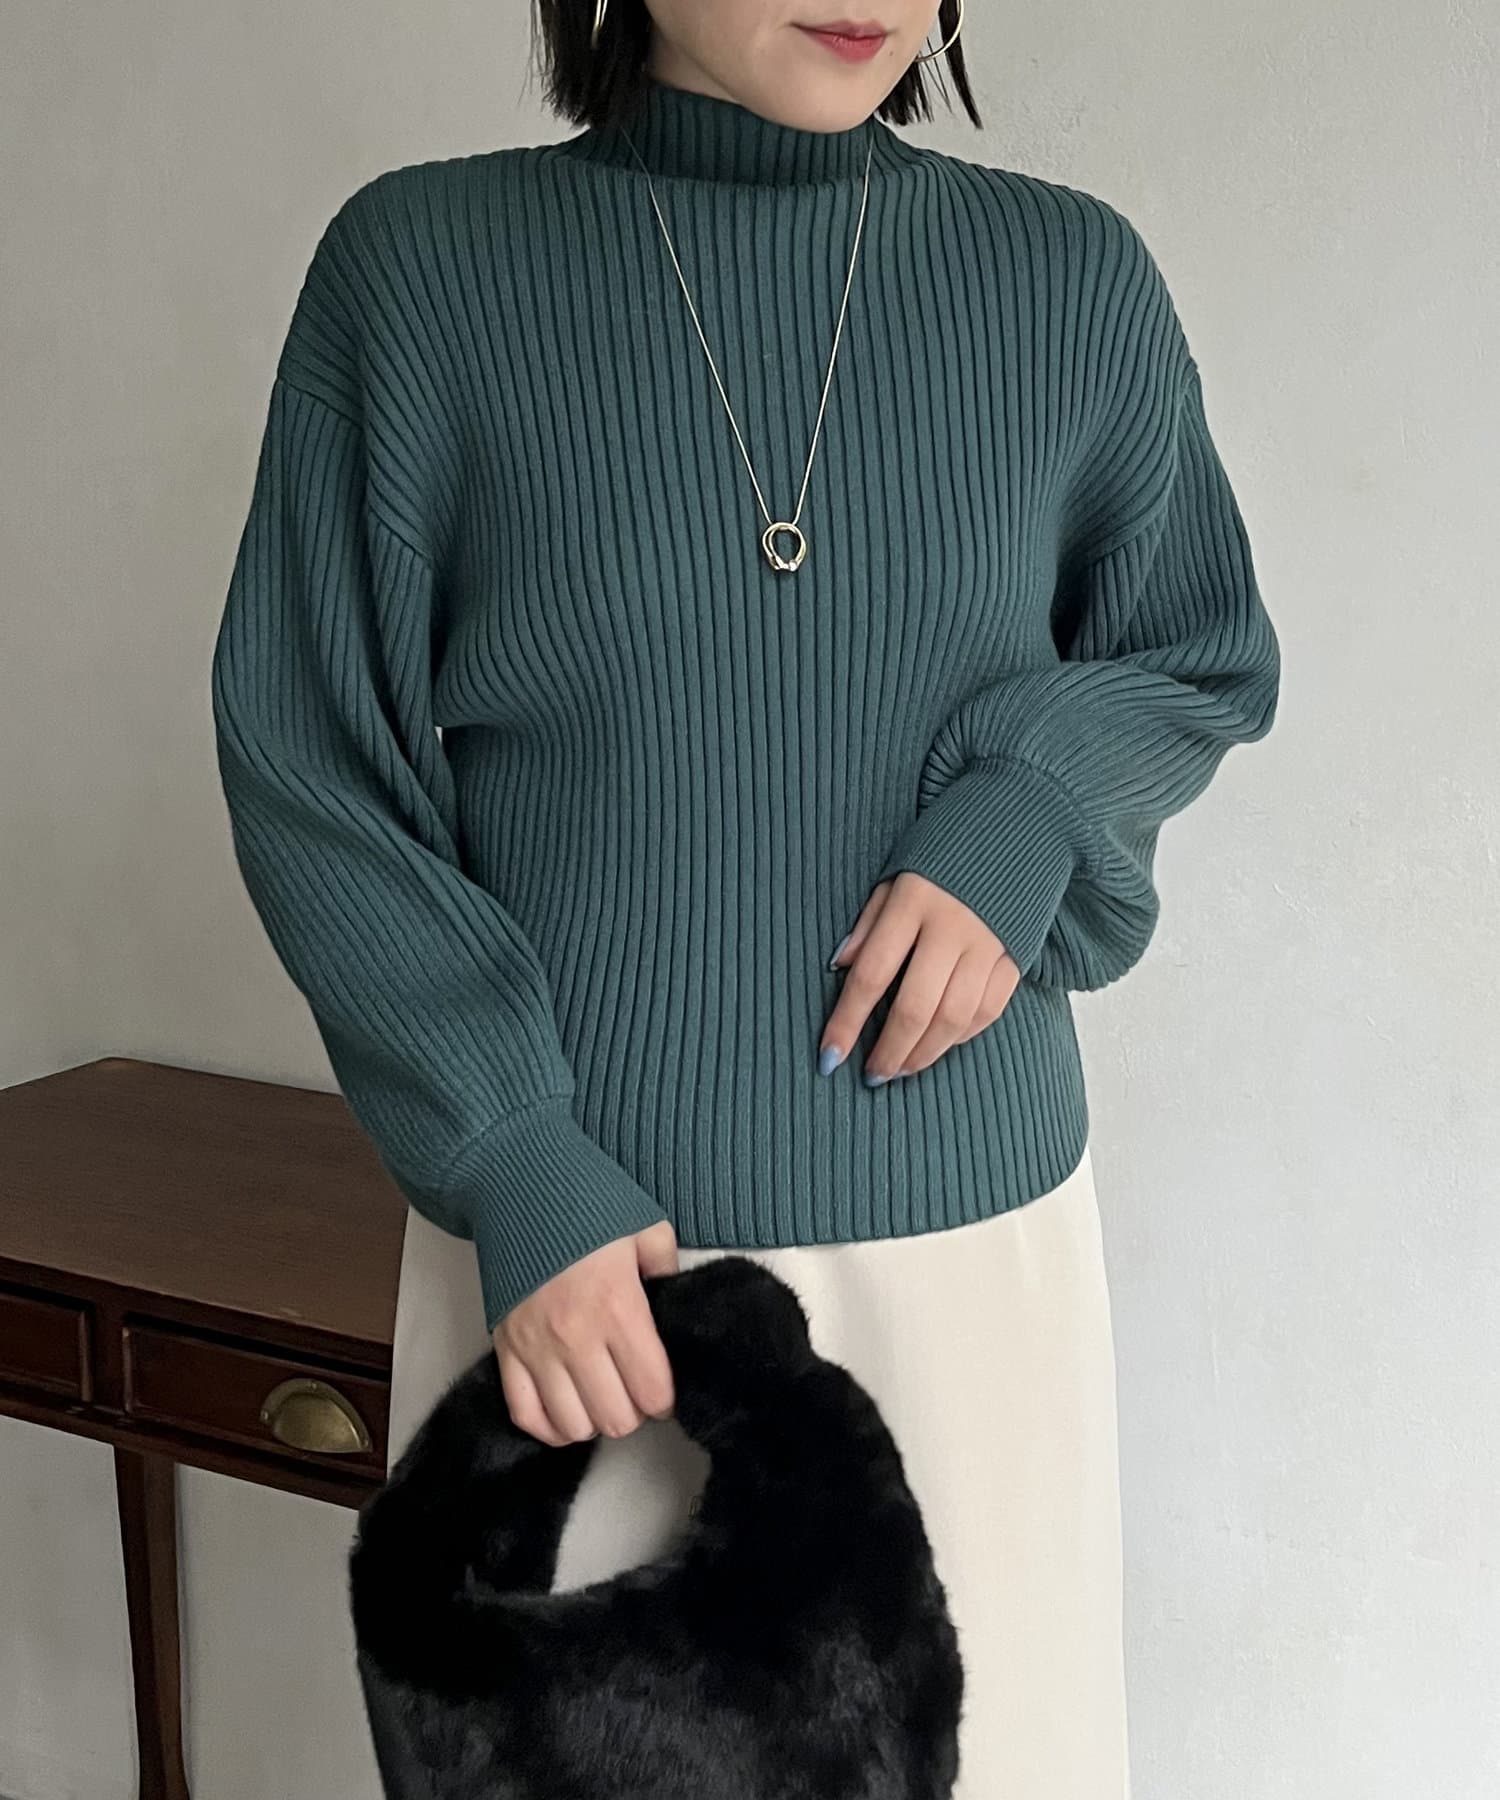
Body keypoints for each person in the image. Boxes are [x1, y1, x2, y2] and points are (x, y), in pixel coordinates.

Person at [210, 2, 1280, 1792]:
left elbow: (1196, 649)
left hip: (973, 1270)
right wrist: (508, 1152)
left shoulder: (1070, 284)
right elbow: (313, 762)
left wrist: (1028, 809)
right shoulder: (419, 274)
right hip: (580, 1275)